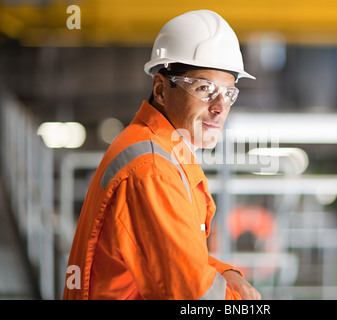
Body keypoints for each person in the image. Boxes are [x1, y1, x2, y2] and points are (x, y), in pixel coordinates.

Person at [63, 10, 261, 300]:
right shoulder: (152, 168)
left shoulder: (162, 149)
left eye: (229, 93)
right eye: (205, 88)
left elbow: (175, 257)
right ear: (161, 89)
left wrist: (225, 272)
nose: (220, 107)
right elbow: (190, 297)